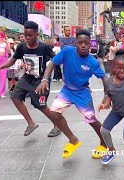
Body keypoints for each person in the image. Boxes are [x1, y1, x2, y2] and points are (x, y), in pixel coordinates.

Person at [35, 29, 109, 159]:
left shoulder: (92, 62)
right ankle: (73, 140)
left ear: (90, 44)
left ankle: (104, 143)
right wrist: (45, 79)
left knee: (91, 119)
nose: (83, 45)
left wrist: (107, 95)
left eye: (86, 43)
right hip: (67, 90)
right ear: (76, 43)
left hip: (83, 92)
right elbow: (52, 63)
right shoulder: (67, 51)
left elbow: (104, 77)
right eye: (80, 42)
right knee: (54, 113)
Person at [0, 21, 61, 137]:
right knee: (15, 97)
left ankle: (57, 125)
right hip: (26, 78)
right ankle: (31, 123)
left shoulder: (44, 47)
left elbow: (56, 60)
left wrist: (47, 77)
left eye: (30, 35)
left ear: (36, 34)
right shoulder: (21, 47)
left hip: (41, 81)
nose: (27, 38)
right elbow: (12, 61)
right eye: (25, 35)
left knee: (41, 105)